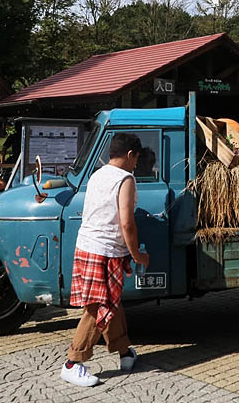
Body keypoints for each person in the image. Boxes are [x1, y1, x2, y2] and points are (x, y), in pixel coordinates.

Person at [61, 132, 149, 387]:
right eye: (137, 158)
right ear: (131, 154)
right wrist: (137, 255)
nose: (136, 164)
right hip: (106, 250)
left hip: (87, 245)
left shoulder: (97, 174)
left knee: (111, 301)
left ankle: (124, 351)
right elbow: (126, 222)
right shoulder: (126, 178)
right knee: (100, 306)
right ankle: (72, 362)